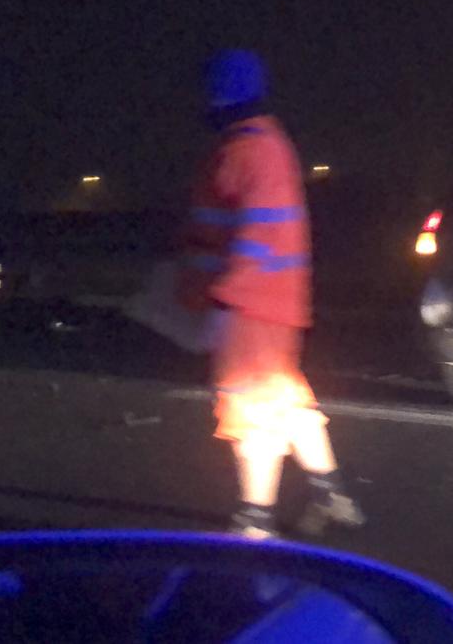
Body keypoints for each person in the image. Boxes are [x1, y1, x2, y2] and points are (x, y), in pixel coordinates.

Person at [179, 49, 364, 539]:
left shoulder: (242, 152)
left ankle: (255, 523)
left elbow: (248, 237)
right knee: (282, 397)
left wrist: (219, 299)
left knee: (250, 409)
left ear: (219, 96)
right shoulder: (269, 144)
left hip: (248, 305)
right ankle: (332, 494)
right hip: (275, 302)